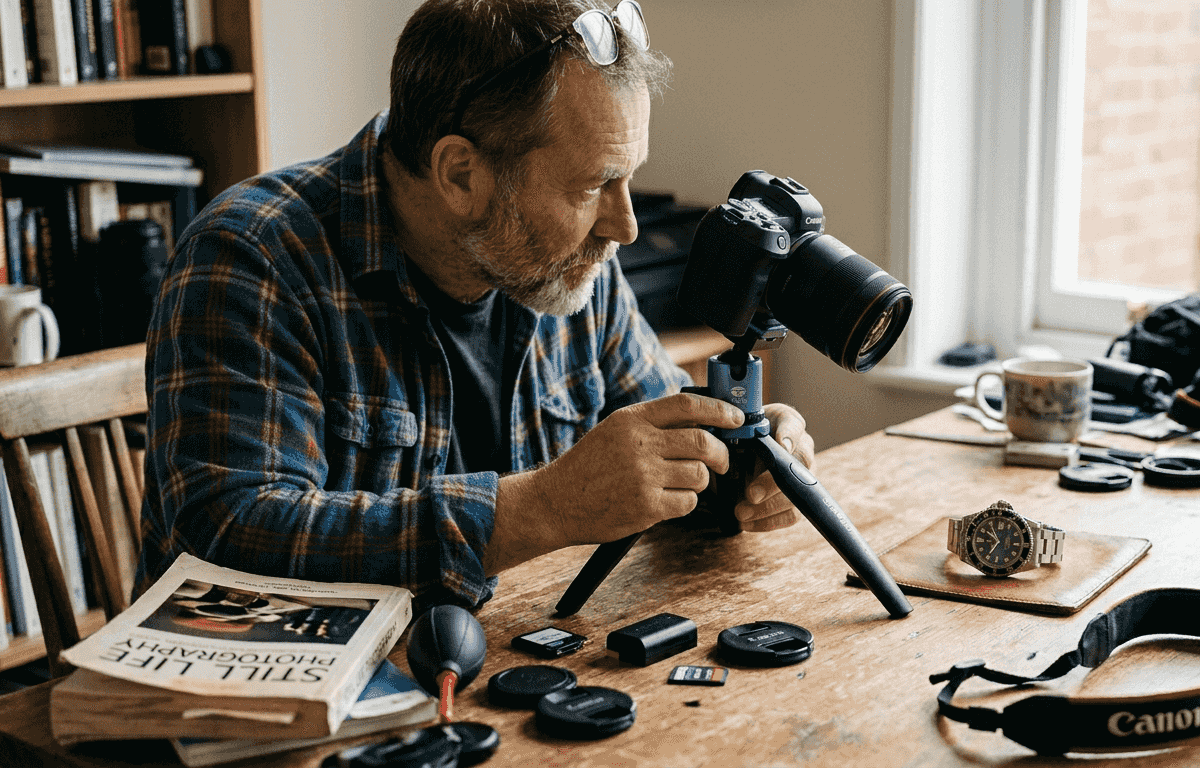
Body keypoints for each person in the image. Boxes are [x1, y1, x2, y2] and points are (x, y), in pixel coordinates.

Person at [136, 0, 816, 610]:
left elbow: (654, 453)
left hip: (510, 653)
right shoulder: (254, 256)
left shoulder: (573, 264)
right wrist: (541, 508)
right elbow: (228, 534)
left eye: (628, 177)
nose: (625, 225)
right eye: (593, 186)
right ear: (461, 174)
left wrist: (738, 456)